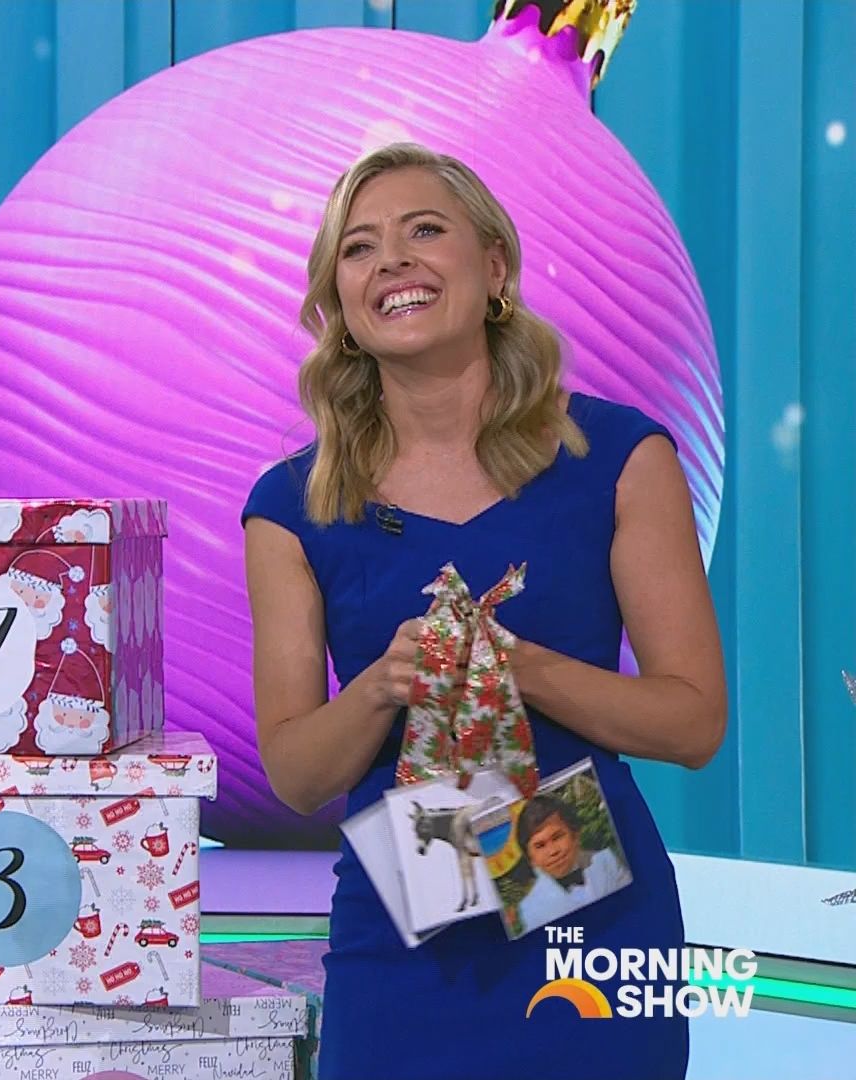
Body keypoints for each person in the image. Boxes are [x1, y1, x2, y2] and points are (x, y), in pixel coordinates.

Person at [242, 142, 726, 1079]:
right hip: (401, 953)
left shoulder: (620, 457)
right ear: (339, 299)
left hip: (595, 937)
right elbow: (298, 775)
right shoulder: (292, 505)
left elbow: (694, 722)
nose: (392, 261)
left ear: (495, 267)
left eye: (425, 231)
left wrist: (517, 664)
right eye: (359, 247)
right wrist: (380, 687)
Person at [513, 795, 632, 932]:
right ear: (530, 859)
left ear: (575, 835)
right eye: (540, 846)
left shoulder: (606, 861)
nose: (553, 851)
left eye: (557, 837)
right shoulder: (531, 908)